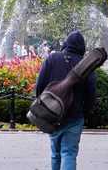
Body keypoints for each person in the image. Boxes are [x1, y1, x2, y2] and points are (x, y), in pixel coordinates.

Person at [35, 31, 96, 170]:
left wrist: (42, 106)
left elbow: (40, 85)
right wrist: (84, 112)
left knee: (55, 154)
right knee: (69, 153)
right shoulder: (86, 64)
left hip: (52, 113)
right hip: (75, 116)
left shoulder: (52, 59)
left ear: (66, 43)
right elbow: (91, 93)